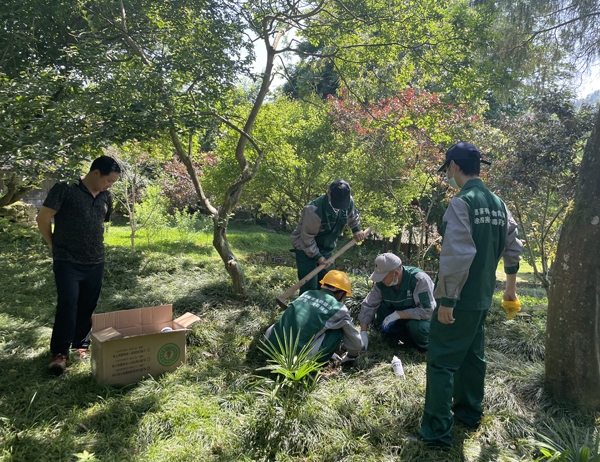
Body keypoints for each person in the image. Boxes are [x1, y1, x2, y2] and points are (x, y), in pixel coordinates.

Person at [418, 142, 523, 448]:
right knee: (473, 357)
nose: (447, 175)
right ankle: (469, 412)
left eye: (446, 169)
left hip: (459, 297)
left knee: (442, 362)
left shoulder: (461, 203)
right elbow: (513, 249)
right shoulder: (498, 204)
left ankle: (436, 435)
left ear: (452, 166)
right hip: (482, 296)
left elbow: (456, 254)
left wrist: (447, 300)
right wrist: (510, 291)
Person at [37, 156, 121, 375]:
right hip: (67, 260)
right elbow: (43, 218)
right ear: (95, 173)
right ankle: (60, 353)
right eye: (109, 181)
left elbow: (100, 224)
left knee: (88, 304)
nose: (110, 185)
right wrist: (52, 245)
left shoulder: (105, 196)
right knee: (68, 304)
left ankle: (80, 346)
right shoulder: (65, 188)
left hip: (96, 260)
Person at [265, 270, 363, 364]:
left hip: (270, 346)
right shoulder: (339, 308)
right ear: (341, 294)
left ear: (323, 285)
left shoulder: (306, 294)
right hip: (295, 359)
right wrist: (351, 356)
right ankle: (308, 361)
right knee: (339, 330)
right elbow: (356, 343)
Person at [290, 180, 365, 294]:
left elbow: (352, 215)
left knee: (328, 284)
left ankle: (322, 310)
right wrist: (318, 257)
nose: (340, 206)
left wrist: (356, 230)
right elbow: (307, 238)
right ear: (328, 193)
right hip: (305, 247)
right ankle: (307, 310)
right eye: (337, 202)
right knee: (310, 287)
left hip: (326, 248)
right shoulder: (313, 210)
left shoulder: (348, 201)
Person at [358, 253, 435, 352]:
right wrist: (363, 333)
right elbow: (369, 304)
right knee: (380, 307)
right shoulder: (381, 284)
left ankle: (425, 349)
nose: (380, 280)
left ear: (396, 274)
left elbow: (428, 311)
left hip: (422, 321)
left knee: (417, 328)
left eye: (383, 277)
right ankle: (396, 339)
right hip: (400, 321)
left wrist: (399, 314)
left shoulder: (419, 279)